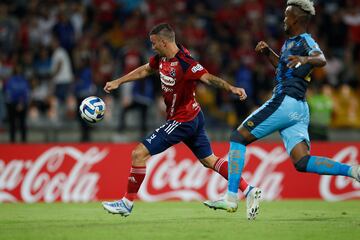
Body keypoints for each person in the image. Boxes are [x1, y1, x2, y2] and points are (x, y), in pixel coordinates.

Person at [204, 0, 360, 213]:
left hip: (285, 100)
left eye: (287, 16)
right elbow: (285, 70)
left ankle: (231, 197)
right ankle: (353, 171)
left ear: (296, 18)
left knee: (238, 137)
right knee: (302, 161)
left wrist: (305, 59)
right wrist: (269, 53)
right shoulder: (290, 43)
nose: (284, 20)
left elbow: (321, 59)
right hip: (298, 108)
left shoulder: (305, 41)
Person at [101, 23, 262, 219]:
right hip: (193, 116)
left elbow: (208, 78)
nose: (151, 47)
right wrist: (118, 81)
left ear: (163, 42)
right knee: (209, 160)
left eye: (153, 43)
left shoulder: (186, 62)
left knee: (138, 153)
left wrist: (232, 89)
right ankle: (249, 189)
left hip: (183, 120)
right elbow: (145, 70)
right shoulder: (161, 58)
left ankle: (126, 202)